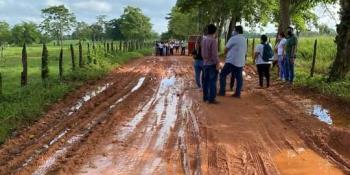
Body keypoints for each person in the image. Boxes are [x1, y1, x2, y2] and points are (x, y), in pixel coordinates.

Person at [219, 26, 247, 98]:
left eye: (234, 30)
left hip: (231, 61)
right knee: (239, 78)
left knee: (222, 74)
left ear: (237, 31)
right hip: (240, 61)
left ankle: (222, 92)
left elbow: (226, 48)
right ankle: (237, 93)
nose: (233, 32)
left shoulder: (233, 38)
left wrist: (225, 54)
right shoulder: (244, 39)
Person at [201, 24, 219, 104]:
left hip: (205, 63)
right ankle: (211, 99)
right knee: (212, 82)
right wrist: (217, 63)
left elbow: (202, 52)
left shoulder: (204, 40)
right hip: (211, 64)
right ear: (214, 31)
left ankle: (205, 97)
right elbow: (214, 55)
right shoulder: (213, 40)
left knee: (205, 81)